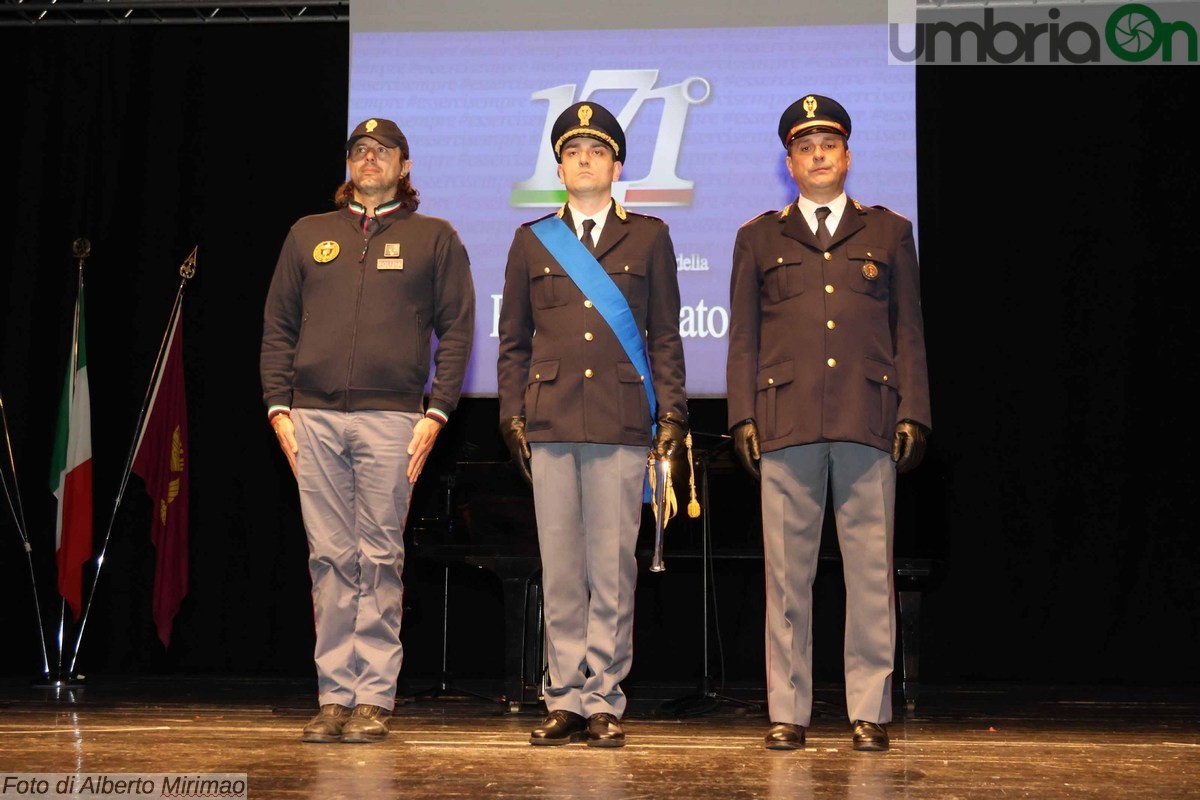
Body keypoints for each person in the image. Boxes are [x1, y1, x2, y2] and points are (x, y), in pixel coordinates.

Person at [725, 94, 931, 752]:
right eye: (805, 147)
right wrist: (742, 415)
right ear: (788, 162)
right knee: (788, 574)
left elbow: (909, 332)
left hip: (867, 415)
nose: (818, 155)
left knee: (871, 571)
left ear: (848, 156)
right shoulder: (758, 236)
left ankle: (870, 708)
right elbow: (743, 340)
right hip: (785, 420)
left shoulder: (889, 231)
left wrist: (915, 411)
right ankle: (789, 710)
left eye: (829, 145)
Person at [260, 117, 475, 744]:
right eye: (359, 150)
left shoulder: (434, 237)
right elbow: (279, 326)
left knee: (379, 556)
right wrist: (279, 407)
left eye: (382, 151)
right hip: (314, 418)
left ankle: (375, 695)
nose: (369, 158)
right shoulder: (309, 234)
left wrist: (436, 413)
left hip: (393, 420)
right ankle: (335, 695)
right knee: (329, 555)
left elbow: (458, 330)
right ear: (349, 164)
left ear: (405, 166)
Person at [497, 101, 688, 748]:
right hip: (550, 421)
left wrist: (674, 413)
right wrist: (511, 413)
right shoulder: (532, 240)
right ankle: (564, 698)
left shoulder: (650, 238)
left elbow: (665, 336)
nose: (585, 160)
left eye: (597, 151)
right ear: (559, 165)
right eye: (574, 151)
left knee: (611, 566)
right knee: (561, 565)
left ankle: (605, 697)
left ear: (617, 166)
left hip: (621, 418)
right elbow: (514, 341)